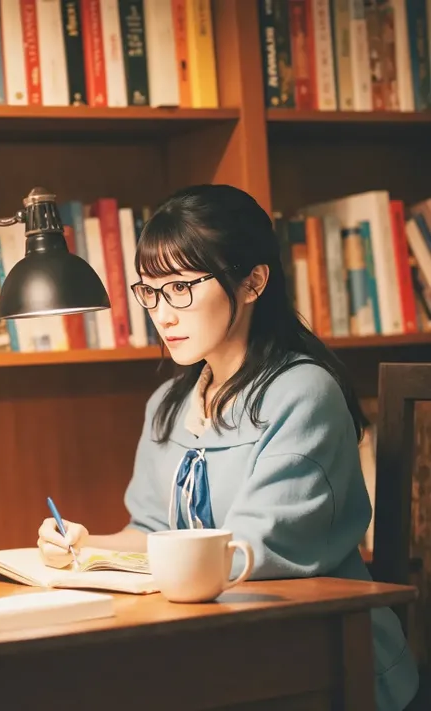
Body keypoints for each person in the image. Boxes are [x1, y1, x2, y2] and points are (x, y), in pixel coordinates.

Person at [38, 184, 419, 710]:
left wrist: (124, 556)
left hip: (322, 653)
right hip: (214, 639)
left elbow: (253, 551)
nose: (162, 314)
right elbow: (151, 531)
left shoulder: (301, 392)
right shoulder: (170, 403)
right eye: (149, 291)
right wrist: (82, 544)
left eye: (181, 288)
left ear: (253, 282)